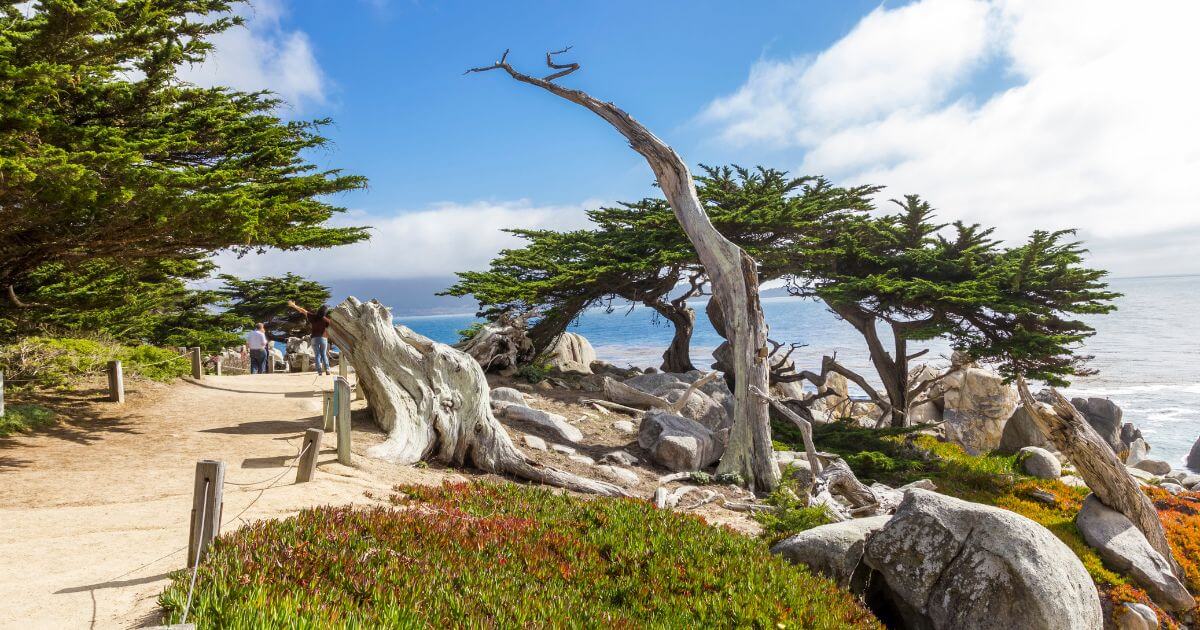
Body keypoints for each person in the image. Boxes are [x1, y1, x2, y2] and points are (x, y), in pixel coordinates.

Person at [287, 300, 332, 375]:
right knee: (324, 354)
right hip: (323, 338)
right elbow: (330, 327)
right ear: (325, 313)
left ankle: (319, 371)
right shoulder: (326, 320)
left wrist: (294, 306)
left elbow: (303, 311)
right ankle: (327, 370)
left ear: (318, 310)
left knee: (317, 355)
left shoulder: (313, 317)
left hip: (314, 338)